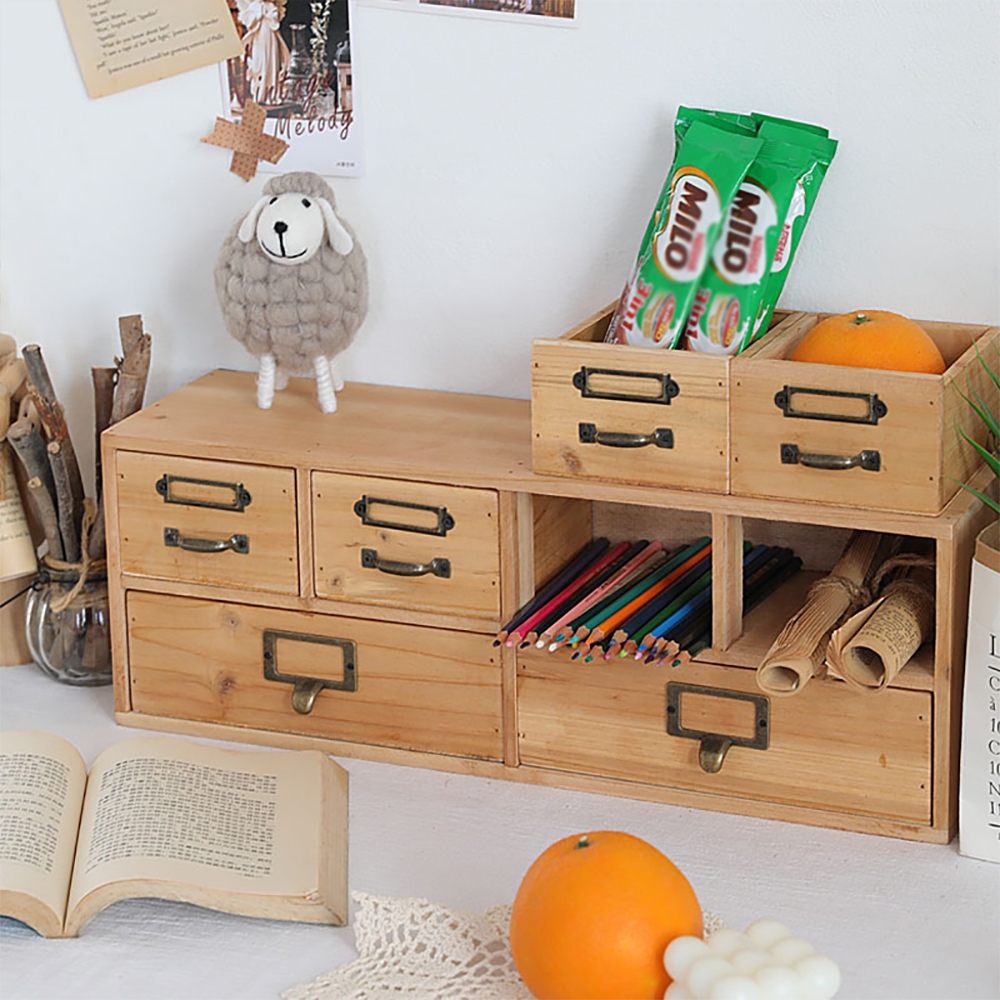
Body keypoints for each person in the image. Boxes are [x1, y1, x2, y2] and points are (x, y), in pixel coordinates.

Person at [237, 0, 289, 105]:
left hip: (271, 38)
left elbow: (275, 22)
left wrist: (267, 16)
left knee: (271, 63)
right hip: (258, 39)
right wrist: (258, 15)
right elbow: (250, 22)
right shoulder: (254, 5)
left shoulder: (272, 6)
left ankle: (271, 93)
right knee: (258, 64)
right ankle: (259, 92)